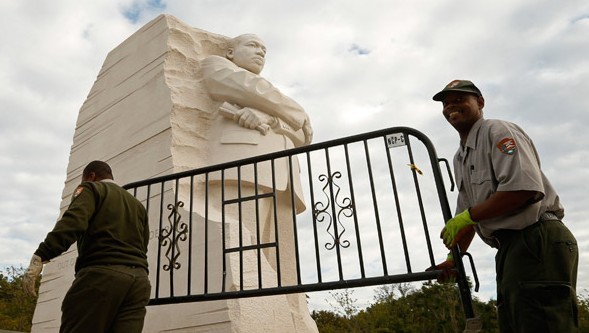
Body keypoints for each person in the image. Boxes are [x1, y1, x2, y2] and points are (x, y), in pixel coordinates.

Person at [430, 80, 579, 332]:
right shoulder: (460, 157)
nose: (451, 107)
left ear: (480, 102)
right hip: (509, 247)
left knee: (542, 323)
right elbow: (467, 215)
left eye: (459, 100)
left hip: (536, 238)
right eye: (446, 103)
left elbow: (525, 189)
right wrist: (453, 258)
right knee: (516, 323)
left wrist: (469, 216)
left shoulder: (497, 131)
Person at [23, 160, 151, 333]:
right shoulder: (137, 205)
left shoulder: (91, 189)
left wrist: (41, 255)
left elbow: (72, 223)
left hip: (101, 278)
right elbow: (144, 243)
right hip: (139, 283)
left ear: (91, 176)